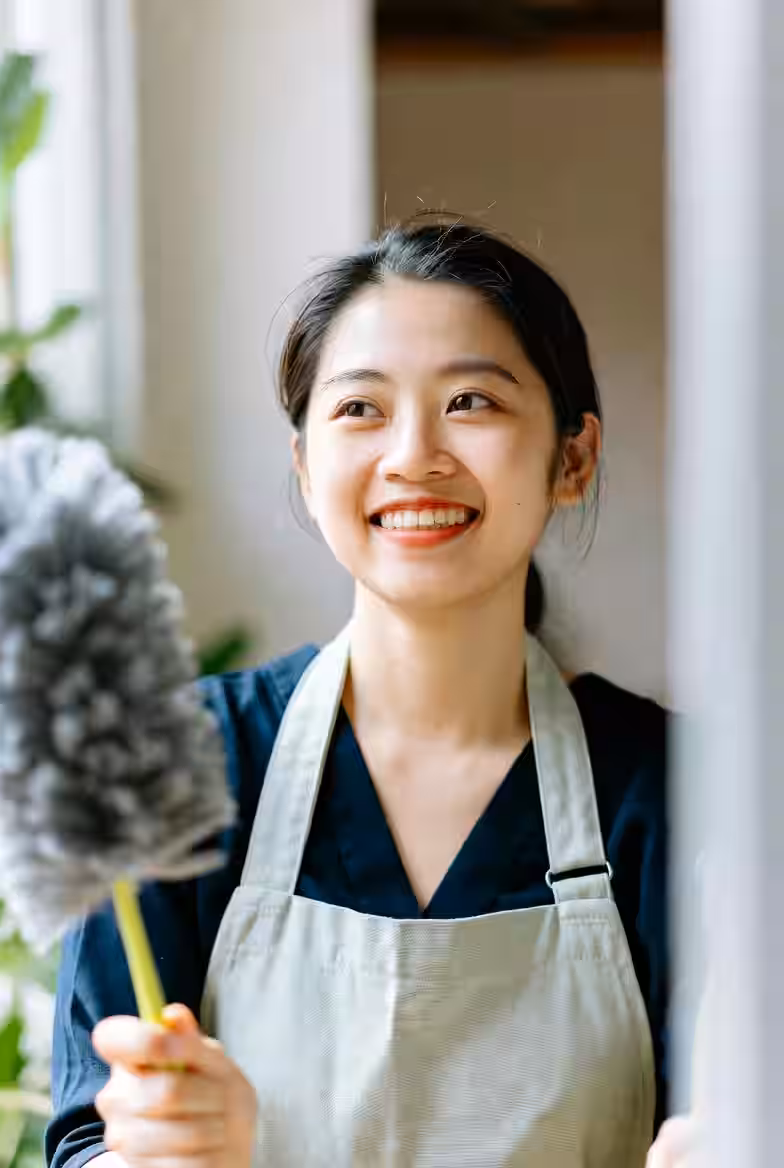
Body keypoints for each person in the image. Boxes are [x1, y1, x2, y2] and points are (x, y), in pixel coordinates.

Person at [46, 219, 679, 1167]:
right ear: (306, 467)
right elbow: (91, 1134)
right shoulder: (180, 767)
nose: (414, 455)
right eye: (359, 410)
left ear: (573, 458)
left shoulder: (679, 789)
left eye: (471, 401)